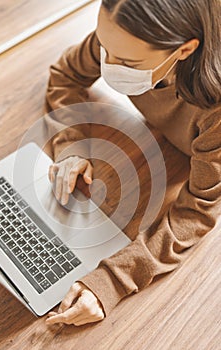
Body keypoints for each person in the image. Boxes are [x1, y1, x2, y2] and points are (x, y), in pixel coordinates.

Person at [45, 0, 221, 326]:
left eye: (126, 61)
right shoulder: (122, 33)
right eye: (104, 47)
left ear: (184, 50)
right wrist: (70, 145)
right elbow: (65, 75)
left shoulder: (215, 111)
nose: (108, 66)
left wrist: (113, 280)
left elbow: (198, 209)